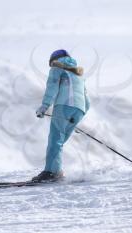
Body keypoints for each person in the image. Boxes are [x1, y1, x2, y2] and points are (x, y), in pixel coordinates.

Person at [33, 49, 90, 182]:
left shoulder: (57, 67)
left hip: (64, 106)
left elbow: (52, 87)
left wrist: (44, 106)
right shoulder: (79, 74)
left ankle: (52, 173)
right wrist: (76, 120)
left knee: (55, 140)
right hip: (79, 110)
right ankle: (55, 170)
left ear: (54, 60)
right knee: (59, 142)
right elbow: (87, 101)